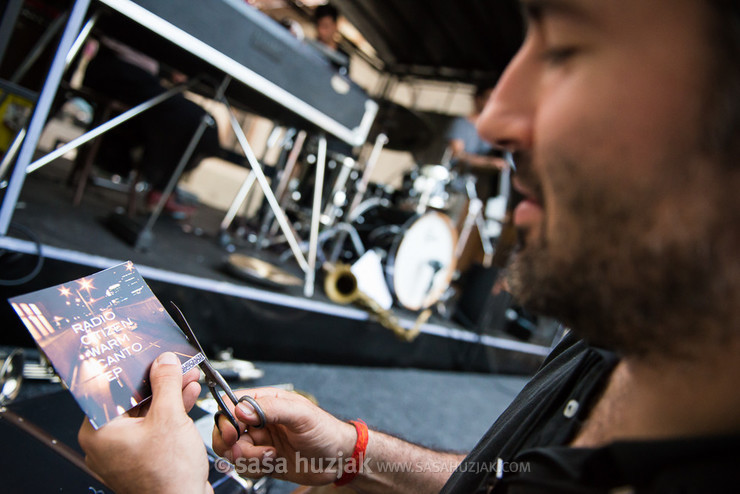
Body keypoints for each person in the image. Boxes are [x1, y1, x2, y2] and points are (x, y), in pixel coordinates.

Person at [78, 0, 740, 492]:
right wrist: (352, 452)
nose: (494, 122)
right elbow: (506, 478)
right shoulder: (620, 323)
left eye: (567, 51)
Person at [82, 37, 222, 218]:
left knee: (200, 121)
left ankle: (162, 186)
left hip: (140, 76)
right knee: (199, 121)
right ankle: (161, 188)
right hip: (119, 70)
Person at [309, 4, 351, 75]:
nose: (321, 30)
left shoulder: (343, 59)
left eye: (326, 26)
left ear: (335, 26)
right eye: (318, 25)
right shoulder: (310, 48)